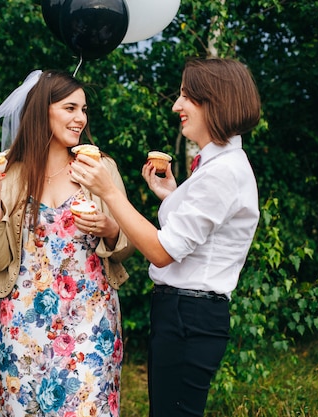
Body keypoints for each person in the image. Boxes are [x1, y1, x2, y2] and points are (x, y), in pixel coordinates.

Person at [70, 57, 262, 416]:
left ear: (214, 102)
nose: (177, 105)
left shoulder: (223, 172)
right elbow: (197, 231)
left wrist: (110, 192)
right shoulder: (216, 166)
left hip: (189, 315)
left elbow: (162, 251)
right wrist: (172, 194)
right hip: (183, 312)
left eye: (187, 97)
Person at [0, 69, 134, 416]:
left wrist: (109, 228)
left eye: (84, 110)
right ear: (42, 110)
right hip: (24, 324)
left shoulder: (99, 168)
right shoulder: (11, 176)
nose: (80, 118)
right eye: (70, 108)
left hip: (91, 322)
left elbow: (127, 246)